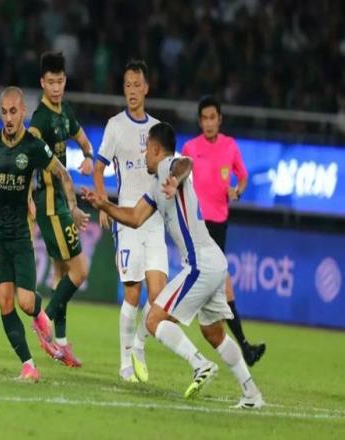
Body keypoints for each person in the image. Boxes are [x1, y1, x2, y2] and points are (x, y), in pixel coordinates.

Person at [82, 122, 264, 409]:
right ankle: (252, 394)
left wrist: (176, 179)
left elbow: (186, 163)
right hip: (215, 263)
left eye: (146, 150)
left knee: (154, 320)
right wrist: (103, 205)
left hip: (200, 265)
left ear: (156, 149)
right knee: (214, 333)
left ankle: (199, 364)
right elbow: (134, 217)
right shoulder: (157, 185)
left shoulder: (169, 167)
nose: (144, 155)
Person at [0, 86, 89, 381]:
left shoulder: (33, 146)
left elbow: (62, 173)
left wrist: (73, 208)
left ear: (23, 111)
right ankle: (28, 366)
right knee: (4, 301)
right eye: (4, 112)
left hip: (21, 236)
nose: (9, 118)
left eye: (14, 111)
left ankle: (40, 316)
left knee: (25, 302)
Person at [93, 59, 168, 383]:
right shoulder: (115, 126)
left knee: (159, 298)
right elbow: (99, 168)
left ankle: (139, 345)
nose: (132, 91)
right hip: (126, 219)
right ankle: (125, 364)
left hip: (154, 221)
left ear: (146, 88)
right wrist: (103, 203)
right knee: (133, 294)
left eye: (137, 85)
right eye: (127, 85)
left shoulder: (158, 129)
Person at [181, 95, 266, 367]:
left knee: (215, 286)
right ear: (200, 121)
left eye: (212, 118)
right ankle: (245, 348)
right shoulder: (190, 148)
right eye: (204, 118)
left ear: (220, 120)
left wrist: (237, 191)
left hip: (219, 225)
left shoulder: (230, 146)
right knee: (221, 285)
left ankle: (158, 322)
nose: (208, 123)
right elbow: (178, 177)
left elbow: (243, 176)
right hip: (198, 224)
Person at [28, 51, 94, 367]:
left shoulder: (65, 112)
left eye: (60, 81)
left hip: (59, 204)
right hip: (51, 205)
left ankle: (63, 346)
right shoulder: (39, 120)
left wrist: (89, 156)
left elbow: (84, 140)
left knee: (61, 275)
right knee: (80, 271)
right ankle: (44, 321)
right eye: (50, 82)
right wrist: (27, 198)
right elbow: (27, 158)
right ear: (42, 83)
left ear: (65, 81)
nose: (56, 87)